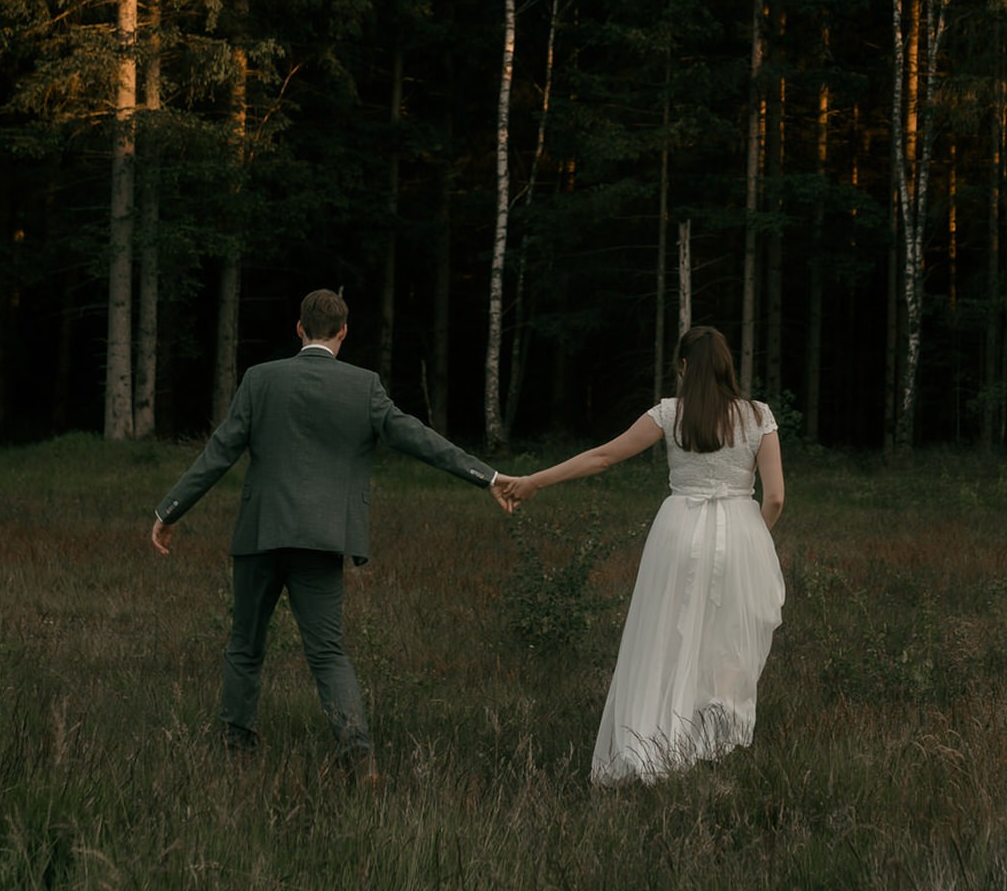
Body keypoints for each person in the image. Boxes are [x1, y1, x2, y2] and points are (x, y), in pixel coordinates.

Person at [151, 287, 513, 771]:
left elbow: (218, 453)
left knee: (244, 646)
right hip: (322, 541)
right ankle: (356, 752)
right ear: (343, 332)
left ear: (298, 329)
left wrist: (169, 511)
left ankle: (236, 748)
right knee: (327, 654)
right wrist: (487, 476)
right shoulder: (363, 387)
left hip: (260, 535)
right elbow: (422, 440)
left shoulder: (260, 379)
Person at [504, 324, 784, 785]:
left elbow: (603, 457)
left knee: (666, 636)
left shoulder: (670, 414)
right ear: (727, 367)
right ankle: (711, 744)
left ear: (683, 367)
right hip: (740, 532)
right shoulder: (758, 417)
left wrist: (534, 480)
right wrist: (753, 536)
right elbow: (774, 497)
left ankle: (656, 742)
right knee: (729, 641)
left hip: (678, 531)